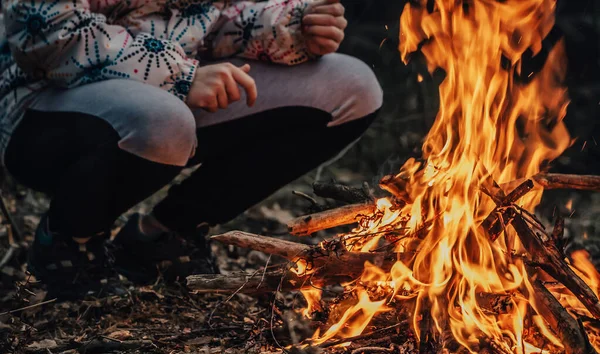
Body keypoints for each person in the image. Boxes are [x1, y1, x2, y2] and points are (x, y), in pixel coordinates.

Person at [0, 0, 383, 297]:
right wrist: (181, 77)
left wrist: (296, 28)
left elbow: (219, 20)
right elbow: (45, 33)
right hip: (38, 104)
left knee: (351, 88)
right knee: (165, 119)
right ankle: (69, 242)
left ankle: (163, 237)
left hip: (166, 89)